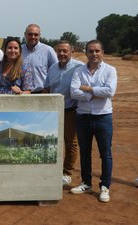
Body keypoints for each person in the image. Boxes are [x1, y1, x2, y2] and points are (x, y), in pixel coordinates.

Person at [70, 40, 117, 203]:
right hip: (83, 116)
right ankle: (86, 183)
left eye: (97, 51)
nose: (94, 54)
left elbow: (110, 91)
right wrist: (96, 92)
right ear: (86, 53)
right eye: (91, 51)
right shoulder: (79, 71)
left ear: (102, 52)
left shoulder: (110, 70)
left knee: (106, 153)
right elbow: (73, 92)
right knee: (85, 152)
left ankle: (105, 186)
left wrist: (87, 89)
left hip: (103, 116)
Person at [44, 41, 84, 186]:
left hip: (70, 111)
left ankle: (67, 173)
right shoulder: (52, 68)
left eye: (65, 51)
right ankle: (52, 169)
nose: (62, 54)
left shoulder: (79, 67)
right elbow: (47, 88)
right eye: (59, 51)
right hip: (53, 111)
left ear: (71, 52)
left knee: (70, 143)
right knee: (51, 141)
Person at [21, 24, 58, 93]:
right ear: (25, 34)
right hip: (22, 93)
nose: (33, 37)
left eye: (36, 34)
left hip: (42, 93)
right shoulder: (19, 50)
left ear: (40, 35)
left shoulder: (48, 50)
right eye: (30, 34)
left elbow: (56, 71)